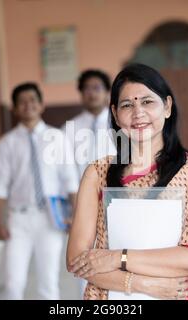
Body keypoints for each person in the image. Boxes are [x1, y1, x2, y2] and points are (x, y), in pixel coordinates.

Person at [66, 64, 188, 300]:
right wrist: (141, 284)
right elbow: (77, 260)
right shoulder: (97, 173)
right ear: (116, 115)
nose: (138, 113)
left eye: (147, 102)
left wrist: (117, 257)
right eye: (127, 105)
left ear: (167, 107)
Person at [0, 82, 78, 300]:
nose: (27, 105)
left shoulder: (57, 138)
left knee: (48, 284)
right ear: (14, 108)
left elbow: (70, 179)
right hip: (18, 220)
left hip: (50, 218)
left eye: (32, 100)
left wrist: (75, 218)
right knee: (13, 283)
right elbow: (0, 185)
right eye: (21, 102)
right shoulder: (7, 143)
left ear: (41, 105)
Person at [62, 69, 116, 297]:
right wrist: (76, 206)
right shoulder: (70, 128)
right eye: (87, 89)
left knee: (116, 256)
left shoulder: (119, 123)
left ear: (106, 93)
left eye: (97, 88)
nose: (92, 93)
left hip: (116, 200)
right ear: (81, 94)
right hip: (83, 203)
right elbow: (67, 170)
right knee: (83, 259)